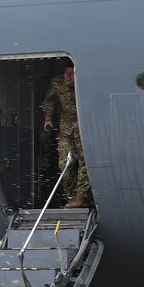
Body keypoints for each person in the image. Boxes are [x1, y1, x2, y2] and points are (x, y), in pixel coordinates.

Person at [42, 59, 92, 209]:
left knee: (85, 163)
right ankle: (71, 195)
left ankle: (81, 197)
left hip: (84, 128)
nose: (68, 76)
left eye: (72, 73)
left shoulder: (85, 84)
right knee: (64, 164)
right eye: (66, 73)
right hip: (66, 128)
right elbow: (49, 100)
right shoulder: (57, 83)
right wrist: (48, 118)